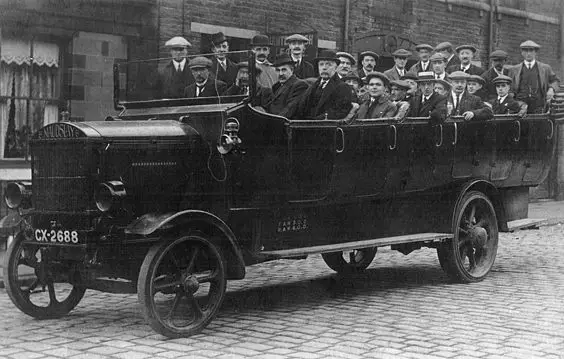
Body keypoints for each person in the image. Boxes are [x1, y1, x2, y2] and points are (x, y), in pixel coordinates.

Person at [509, 40, 560, 114]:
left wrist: (551, 89)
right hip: (520, 106)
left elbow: (555, 81)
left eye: (531, 50)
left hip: (539, 105)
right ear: (522, 53)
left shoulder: (545, 68)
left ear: (536, 52)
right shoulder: (514, 70)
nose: (528, 53)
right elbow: (509, 87)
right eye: (526, 51)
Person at [299, 50, 352, 120]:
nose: (324, 68)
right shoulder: (313, 86)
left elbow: (338, 113)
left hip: (325, 127)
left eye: (328, 64)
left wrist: (313, 121)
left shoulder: (343, 87)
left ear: (336, 68)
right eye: (321, 64)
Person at [264, 54, 308, 119]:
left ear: (292, 70)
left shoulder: (300, 86)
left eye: (284, 70)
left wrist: (272, 122)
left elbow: (289, 110)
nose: (280, 74)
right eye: (278, 70)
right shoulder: (276, 86)